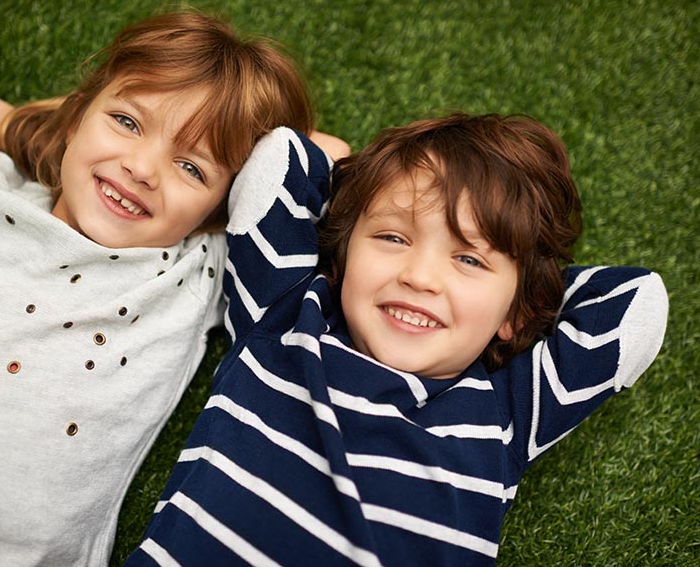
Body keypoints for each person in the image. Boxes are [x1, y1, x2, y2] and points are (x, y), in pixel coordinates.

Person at [0, 11, 347, 566]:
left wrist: (238, 151)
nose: (142, 168)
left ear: (220, 207)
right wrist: (21, 127)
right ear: (77, 117)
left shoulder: (195, 271)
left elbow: (321, 159)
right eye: (126, 121)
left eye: (191, 168)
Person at [124, 117, 669, 565]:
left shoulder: (507, 412)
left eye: (469, 258)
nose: (421, 277)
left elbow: (635, 303)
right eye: (391, 237)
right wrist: (349, 196)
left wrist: (529, 286)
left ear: (519, 313)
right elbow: (280, 160)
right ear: (341, 255)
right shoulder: (286, 316)